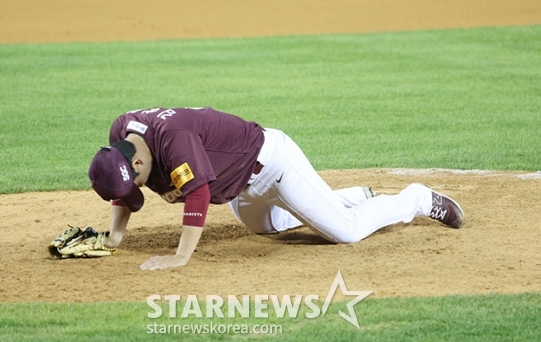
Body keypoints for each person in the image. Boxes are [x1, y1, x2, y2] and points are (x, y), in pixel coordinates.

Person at [88, 107, 465, 270]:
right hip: (240, 185)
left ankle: (415, 198)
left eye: (136, 181)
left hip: (276, 166)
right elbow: (122, 188)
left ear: (137, 163)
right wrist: (115, 236)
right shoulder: (121, 133)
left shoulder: (175, 140)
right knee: (267, 228)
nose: (136, 188)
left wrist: (180, 257)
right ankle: (349, 197)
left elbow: (199, 195)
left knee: (346, 232)